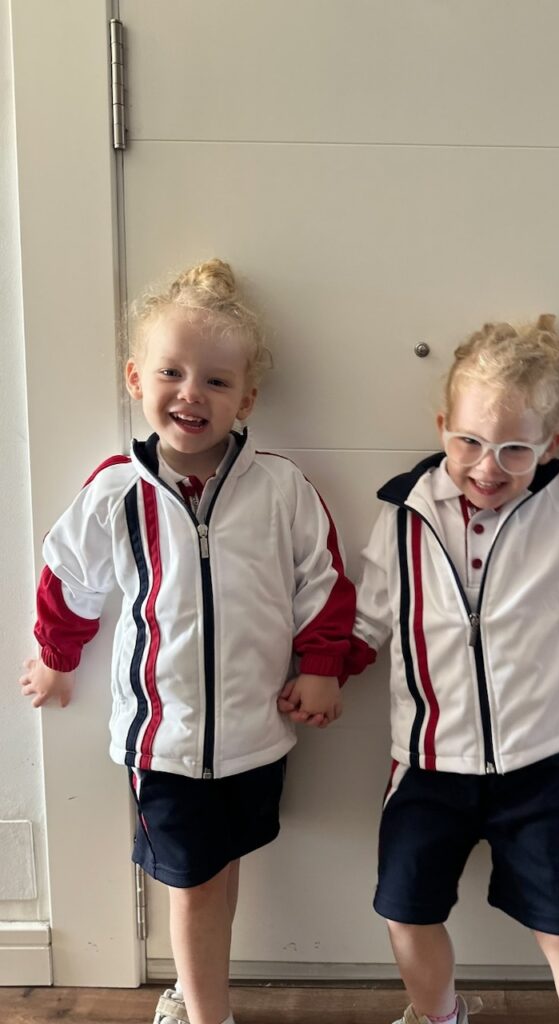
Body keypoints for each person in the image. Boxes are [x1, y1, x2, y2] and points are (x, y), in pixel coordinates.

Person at [20, 259, 355, 1024]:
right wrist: (56, 657)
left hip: (254, 733)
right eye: (171, 372)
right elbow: (69, 576)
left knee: (217, 871)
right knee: (195, 882)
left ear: (247, 397)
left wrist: (326, 667)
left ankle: (190, 988)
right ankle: (208, 1014)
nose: (190, 394)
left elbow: (323, 583)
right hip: (161, 742)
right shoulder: (116, 492)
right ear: (137, 378)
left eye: (215, 380)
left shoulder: (281, 490)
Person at [340, 301, 559, 1024]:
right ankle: (437, 1016)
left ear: (549, 444)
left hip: (538, 767)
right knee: (404, 912)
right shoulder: (405, 512)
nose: (487, 468)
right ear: (441, 429)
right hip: (427, 766)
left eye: (513, 451)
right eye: (468, 442)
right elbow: (371, 613)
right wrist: (323, 669)